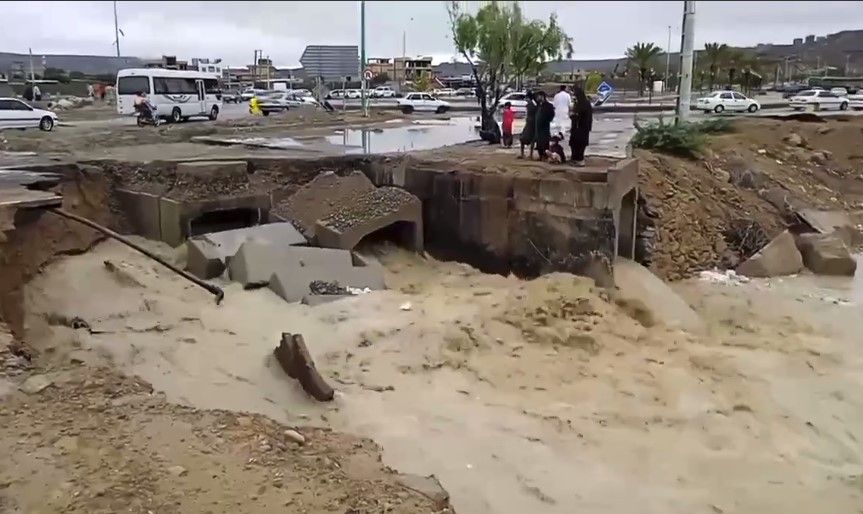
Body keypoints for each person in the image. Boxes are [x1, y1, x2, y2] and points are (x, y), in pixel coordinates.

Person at [569, 86, 594, 167]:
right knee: (573, 143)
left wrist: (574, 115)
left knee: (580, 144)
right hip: (576, 128)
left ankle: (580, 160)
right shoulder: (578, 104)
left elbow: (584, 116)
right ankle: (574, 159)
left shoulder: (585, 104)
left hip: (582, 128)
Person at [533, 90, 555, 161]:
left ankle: (545, 155)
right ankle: (540, 155)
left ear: (542, 97)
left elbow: (551, 115)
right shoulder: (538, 105)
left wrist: (546, 120)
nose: (537, 98)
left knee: (544, 141)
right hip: (538, 127)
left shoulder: (548, 106)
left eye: (538, 96)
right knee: (539, 142)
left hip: (544, 127)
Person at [518, 91, 536, 159]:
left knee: (523, 138)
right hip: (531, 123)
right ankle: (530, 154)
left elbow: (529, 114)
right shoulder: (533, 104)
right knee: (532, 139)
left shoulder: (530, 105)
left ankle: (524, 154)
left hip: (530, 123)